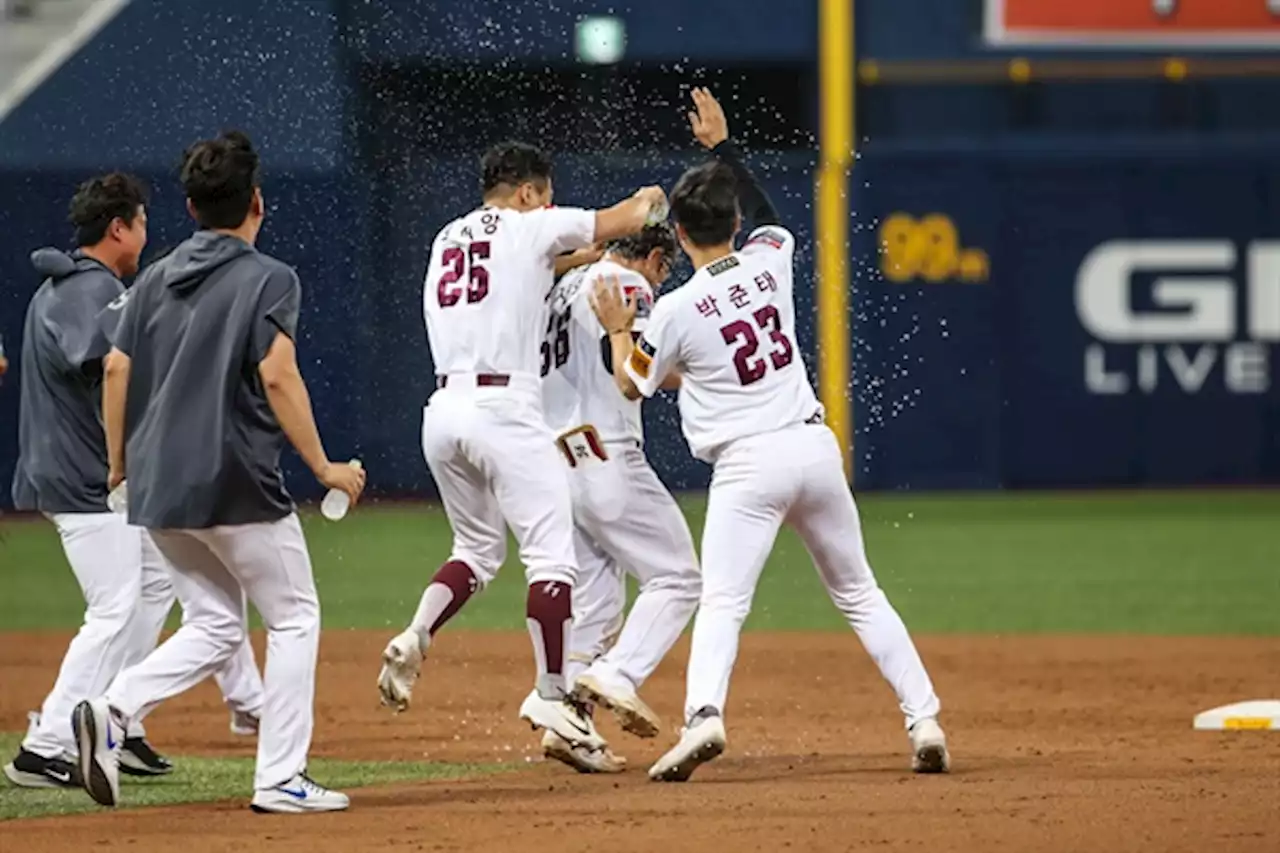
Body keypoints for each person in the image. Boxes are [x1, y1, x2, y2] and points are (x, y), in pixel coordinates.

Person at [591, 89, 949, 782]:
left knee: (724, 600)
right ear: (731, 224)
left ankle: (703, 718)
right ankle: (925, 717)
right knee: (860, 592)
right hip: (813, 448)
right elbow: (767, 213)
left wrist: (616, 329)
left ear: (682, 239)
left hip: (749, 466)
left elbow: (632, 383)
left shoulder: (674, 309)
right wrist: (723, 148)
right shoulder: (771, 259)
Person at [69, 131, 365, 814]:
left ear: (191, 207)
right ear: (256, 202)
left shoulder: (153, 277)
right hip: (232, 477)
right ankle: (281, 777)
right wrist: (323, 465)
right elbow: (278, 372)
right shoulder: (269, 276)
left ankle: (113, 708)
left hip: (155, 485)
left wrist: (119, 463)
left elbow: (115, 368)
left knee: (215, 624)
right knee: (293, 617)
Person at [376, 141, 666, 752]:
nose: (550, 205)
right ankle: (555, 694)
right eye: (546, 195)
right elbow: (627, 219)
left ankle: (416, 634)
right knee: (552, 561)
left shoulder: (447, 238)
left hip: (442, 412)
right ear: (528, 192)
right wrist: (655, 200)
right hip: (505, 409)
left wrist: (586, 251)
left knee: (477, 551)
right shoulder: (532, 225)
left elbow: (546, 265)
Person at [5, 173, 263, 791]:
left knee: (153, 587)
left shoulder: (84, 286)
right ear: (118, 227)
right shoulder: (83, 290)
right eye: (142, 222)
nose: (146, 233)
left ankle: (124, 719)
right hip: (84, 480)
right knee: (116, 607)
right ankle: (45, 746)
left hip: (84, 474)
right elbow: (111, 367)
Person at [537, 223, 700, 773]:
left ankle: (566, 718)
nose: (659, 279)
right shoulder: (627, 285)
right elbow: (636, 369)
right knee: (678, 577)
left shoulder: (565, 282)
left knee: (601, 602)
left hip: (557, 455)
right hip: (606, 451)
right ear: (653, 256)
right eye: (663, 267)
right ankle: (617, 674)